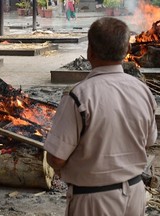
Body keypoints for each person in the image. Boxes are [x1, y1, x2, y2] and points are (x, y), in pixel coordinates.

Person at [44, 17, 157, 216]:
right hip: (135, 194)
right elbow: (149, 141)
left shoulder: (78, 96)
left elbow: (56, 158)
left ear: (90, 51)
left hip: (93, 201)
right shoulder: (143, 91)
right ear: (126, 52)